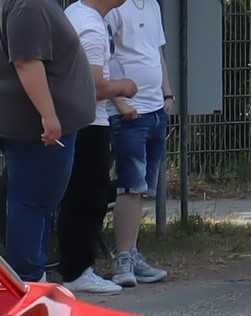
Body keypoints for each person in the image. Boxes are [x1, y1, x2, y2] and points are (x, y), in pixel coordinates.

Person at [0, 0, 97, 283]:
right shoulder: (29, 4)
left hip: (38, 126)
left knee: (38, 202)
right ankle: (28, 278)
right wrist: (48, 114)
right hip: (34, 128)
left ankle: (32, 275)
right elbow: (26, 61)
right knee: (32, 203)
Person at [58, 0, 140, 295]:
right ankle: (78, 269)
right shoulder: (91, 28)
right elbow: (93, 86)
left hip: (76, 119)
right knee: (88, 197)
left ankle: (75, 266)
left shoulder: (76, 13)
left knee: (79, 195)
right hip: (89, 122)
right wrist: (124, 86)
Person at [105, 0, 171, 285]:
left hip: (155, 109)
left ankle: (132, 254)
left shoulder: (152, 5)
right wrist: (119, 101)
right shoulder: (113, 6)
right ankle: (123, 260)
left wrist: (167, 94)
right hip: (129, 112)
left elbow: (157, 52)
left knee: (142, 188)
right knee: (130, 186)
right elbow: (103, 57)